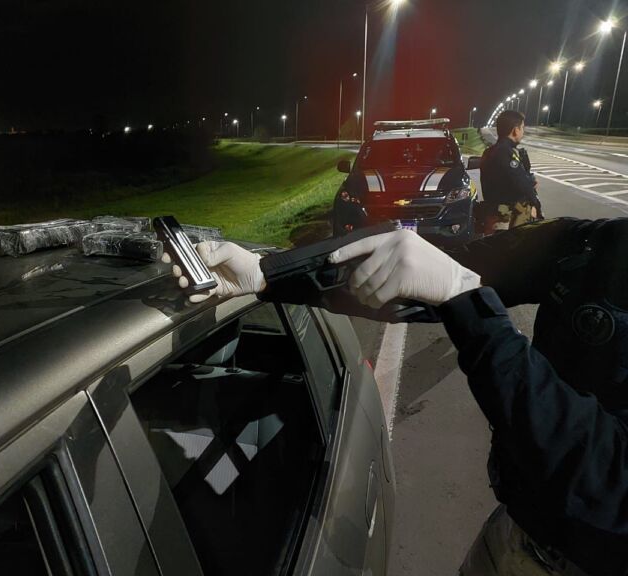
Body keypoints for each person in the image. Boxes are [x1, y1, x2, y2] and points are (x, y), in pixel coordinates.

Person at [165, 219, 628, 575]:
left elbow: (604, 479)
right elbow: (441, 263)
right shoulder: (597, 244)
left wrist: (464, 298)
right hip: (517, 529)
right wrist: (270, 274)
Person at [480, 110, 543, 231]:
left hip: (493, 212)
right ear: (515, 130)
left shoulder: (489, 152)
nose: (523, 132)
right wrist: (536, 206)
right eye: (522, 128)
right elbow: (521, 183)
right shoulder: (506, 153)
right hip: (506, 217)